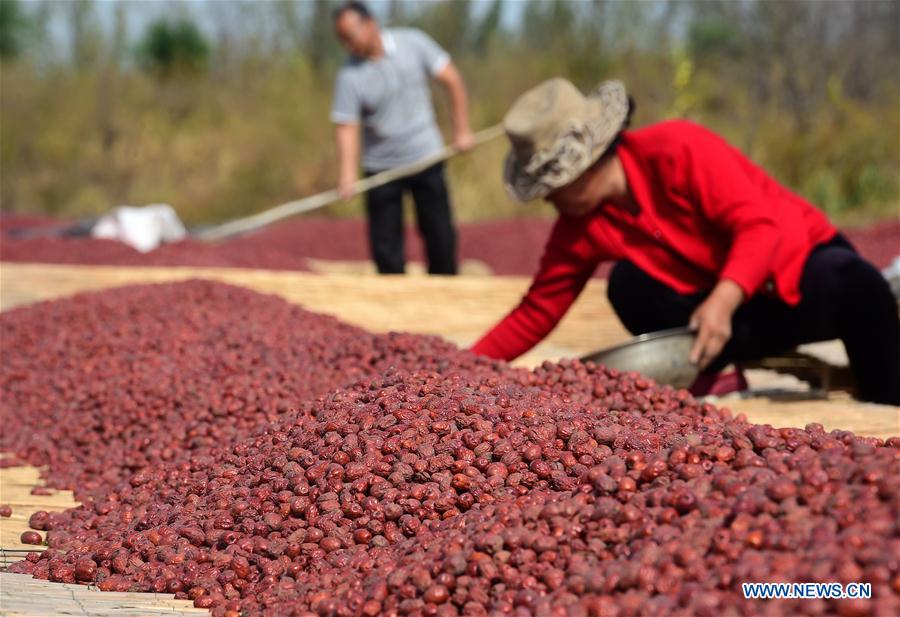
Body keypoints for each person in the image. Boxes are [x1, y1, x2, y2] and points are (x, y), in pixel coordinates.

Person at [471, 77, 900, 405]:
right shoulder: (578, 225)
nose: (546, 197)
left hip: (794, 279)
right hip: (728, 321)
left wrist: (724, 300)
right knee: (628, 285)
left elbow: (759, 228)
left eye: (551, 185)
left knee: (859, 285)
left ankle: (887, 398)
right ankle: (715, 373)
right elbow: (537, 310)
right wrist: (462, 369)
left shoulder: (676, 148)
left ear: (582, 165)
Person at [331, 1, 473, 275]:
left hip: (425, 157)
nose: (349, 46)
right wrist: (347, 175)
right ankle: (393, 306)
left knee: (440, 235)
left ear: (370, 23)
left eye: (351, 37)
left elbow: (452, 80)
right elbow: (347, 126)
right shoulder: (349, 76)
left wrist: (462, 129)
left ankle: (445, 293)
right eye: (342, 41)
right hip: (381, 170)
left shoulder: (414, 42)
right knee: (386, 250)